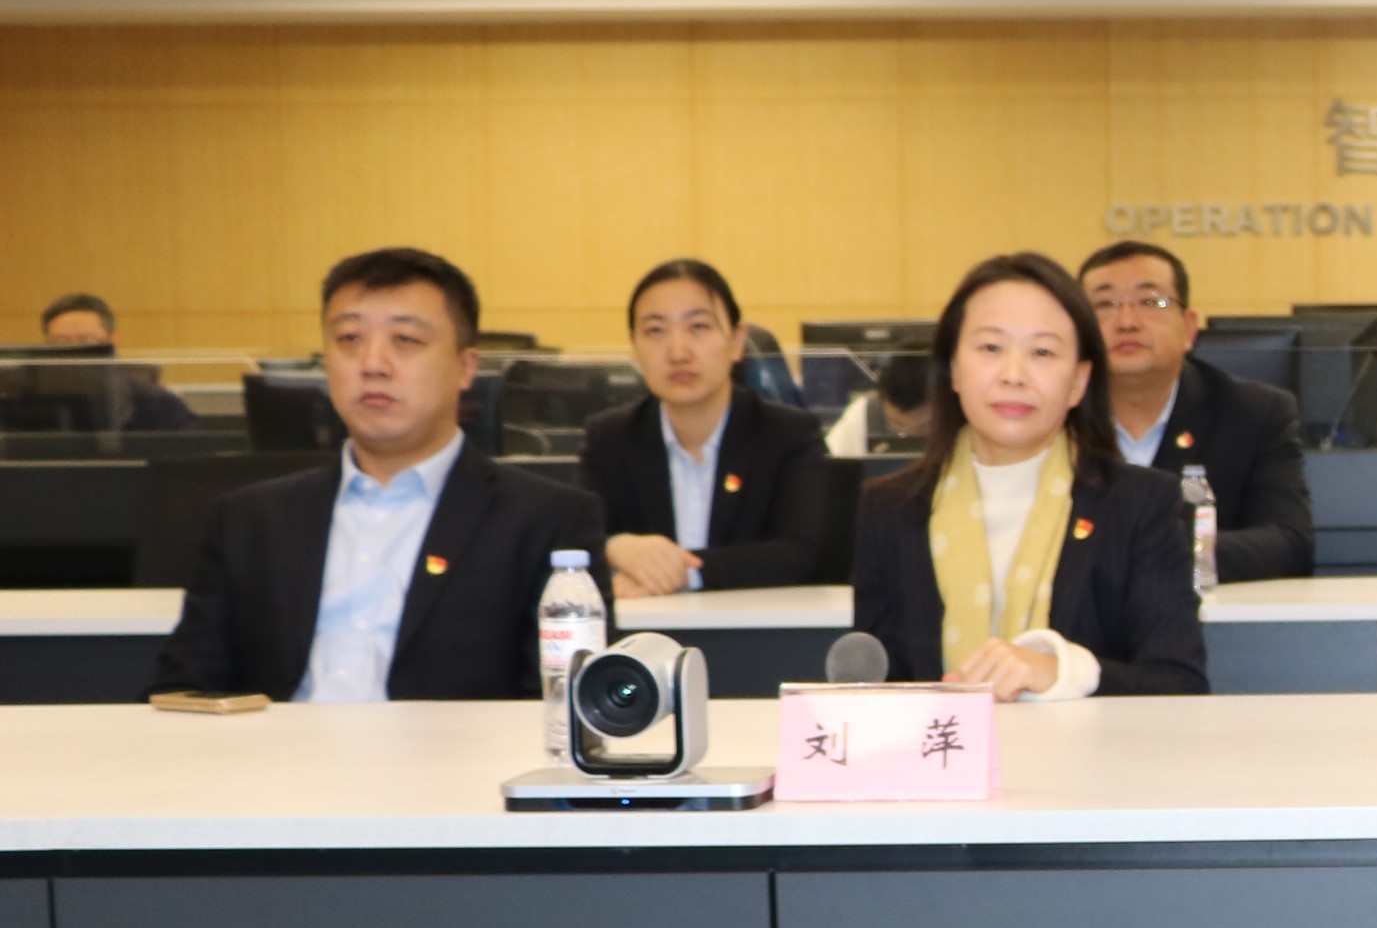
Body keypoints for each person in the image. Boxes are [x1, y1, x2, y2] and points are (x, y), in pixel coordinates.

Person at [151, 248, 603, 702]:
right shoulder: (251, 520)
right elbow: (182, 690)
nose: (372, 364)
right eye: (349, 338)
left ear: (466, 367)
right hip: (281, 747)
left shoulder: (546, 521)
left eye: (405, 339)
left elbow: (565, 707)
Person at [852, 252, 1206, 698]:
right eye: (990, 348)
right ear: (954, 368)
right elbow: (877, 691)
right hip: (944, 745)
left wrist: (1064, 673)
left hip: (1092, 746)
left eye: (1042, 352)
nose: (1013, 375)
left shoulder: (1140, 502)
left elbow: (1179, 685)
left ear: (1078, 382)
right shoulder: (890, 508)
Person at [574, 259, 831, 596]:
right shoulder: (610, 437)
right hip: (647, 629)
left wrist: (680, 572)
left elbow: (798, 553)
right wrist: (615, 547)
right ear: (635, 346)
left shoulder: (787, 434)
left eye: (698, 326)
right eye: (655, 331)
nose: (678, 352)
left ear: (736, 342)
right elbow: (575, 535)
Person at [1075, 239, 1315, 583]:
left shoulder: (1254, 414)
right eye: (1104, 304)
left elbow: (1289, 544)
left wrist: (1167, 554)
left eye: (1151, 301)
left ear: (1188, 328)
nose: (1126, 321)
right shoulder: (1054, 418)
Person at [30, 293, 196, 431]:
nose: (74, 351)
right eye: (61, 342)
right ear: (46, 346)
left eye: (86, 340)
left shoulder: (156, 403)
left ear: (113, 342)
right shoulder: (27, 401)